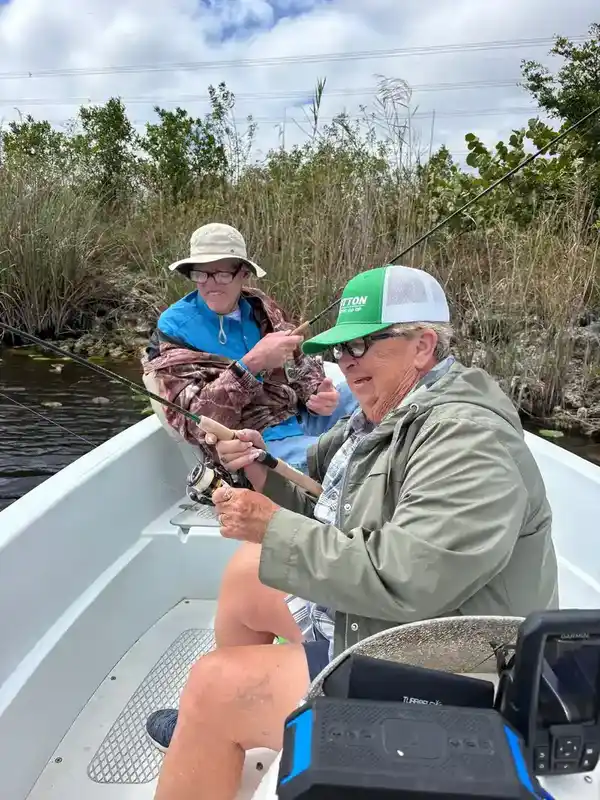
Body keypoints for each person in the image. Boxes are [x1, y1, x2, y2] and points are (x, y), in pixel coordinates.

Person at [149, 264, 559, 800]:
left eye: (362, 345)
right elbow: (324, 501)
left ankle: (223, 714)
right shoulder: (384, 413)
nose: (346, 363)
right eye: (340, 349)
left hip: (458, 668)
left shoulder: (467, 438)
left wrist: (272, 528)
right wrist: (256, 467)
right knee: (249, 573)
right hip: (401, 626)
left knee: (211, 684)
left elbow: (411, 579)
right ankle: (248, 729)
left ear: (422, 345)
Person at [141, 222, 358, 473]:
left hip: (301, 417)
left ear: (243, 272)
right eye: (201, 274)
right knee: (352, 461)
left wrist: (316, 392)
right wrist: (251, 364)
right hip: (258, 446)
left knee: (385, 390)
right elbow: (193, 422)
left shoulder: (260, 306)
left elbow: (299, 362)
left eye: (222, 274)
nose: (210, 284)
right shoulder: (175, 331)